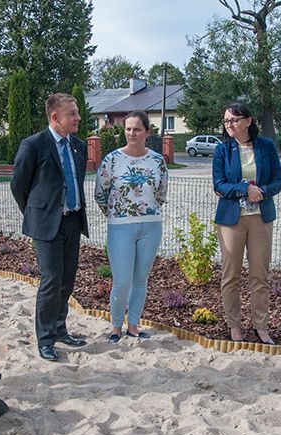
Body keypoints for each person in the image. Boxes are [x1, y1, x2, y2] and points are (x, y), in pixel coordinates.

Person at [11, 93, 89, 361]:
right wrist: (37, 214)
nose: (78, 117)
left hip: (72, 220)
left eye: (77, 112)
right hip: (47, 225)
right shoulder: (33, 145)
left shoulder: (79, 146)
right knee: (51, 279)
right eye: (72, 114)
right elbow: (18, 186)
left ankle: (59, 329)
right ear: (55, 118)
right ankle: (45, 339)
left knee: (67, 279)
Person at [212, 102, 281, 345]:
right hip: (231, 220)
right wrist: (245, 189)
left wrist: (262, 192)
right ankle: (234, 326)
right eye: (226, 121)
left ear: (248, 121)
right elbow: (219, 185)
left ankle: (261, 326)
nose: (229, 125)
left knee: (259, 276)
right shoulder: (223, 150)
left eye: (233, 120)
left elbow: (278, 180)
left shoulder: (266, 146)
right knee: (230, 275)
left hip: (260, 219)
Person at [95, 111, 168, 343]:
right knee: (122, 280)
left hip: (150, 226)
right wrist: (117, 214)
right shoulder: (112, 160)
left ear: (147, 131)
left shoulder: (157, 161)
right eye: (128, 128)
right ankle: (116, 326)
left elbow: (161, 193)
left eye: (137, 129)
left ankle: (133, 325)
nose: (132, 133)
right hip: (120, 227)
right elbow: (100, 194)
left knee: (140, 279)